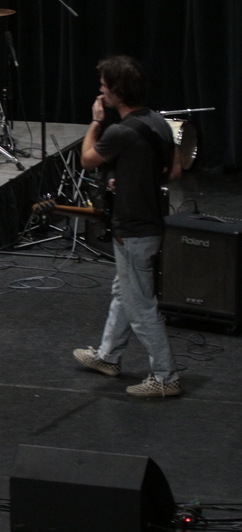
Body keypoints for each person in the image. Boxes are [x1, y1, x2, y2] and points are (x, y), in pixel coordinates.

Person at [73, 55, 183, 397]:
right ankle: (108, 356)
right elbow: (174, 171)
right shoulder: (158, 122)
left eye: (104, 87)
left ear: (117, 91)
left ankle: (165, 377)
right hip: (151, 223)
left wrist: (96, 122)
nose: (101, 92)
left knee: (141, 307)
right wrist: (134, 178)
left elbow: (87, 160)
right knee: (125, 293)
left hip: (132, 230)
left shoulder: (119, 131)